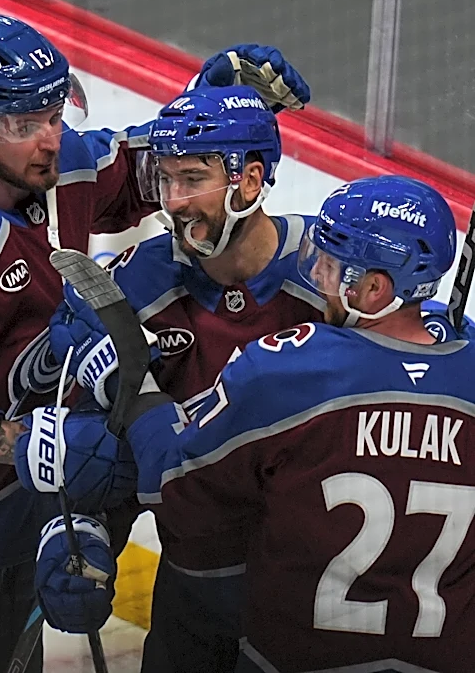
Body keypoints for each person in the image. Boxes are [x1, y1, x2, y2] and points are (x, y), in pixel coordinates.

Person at [0, 12, 310, 673]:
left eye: (55, 114)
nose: (52, 139)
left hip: (9, 512)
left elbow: (149, 170)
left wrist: (213, 102)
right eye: (27, 126)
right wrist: (21, 445)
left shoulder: (58, 165)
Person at [36, 175, 475, 673]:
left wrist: (131, 380)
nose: (318, 278)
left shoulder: (289, 371)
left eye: (330, 267)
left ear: (374, 289)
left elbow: (171, 483)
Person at [22, 82, 326, 672]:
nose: (175, 201)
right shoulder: (128, 290)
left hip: (316, 607)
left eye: (193, 180)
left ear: (251, 180)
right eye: (165, 181)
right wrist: (76, 539)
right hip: (196, 600)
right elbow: (90, 450)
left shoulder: (329, 274)